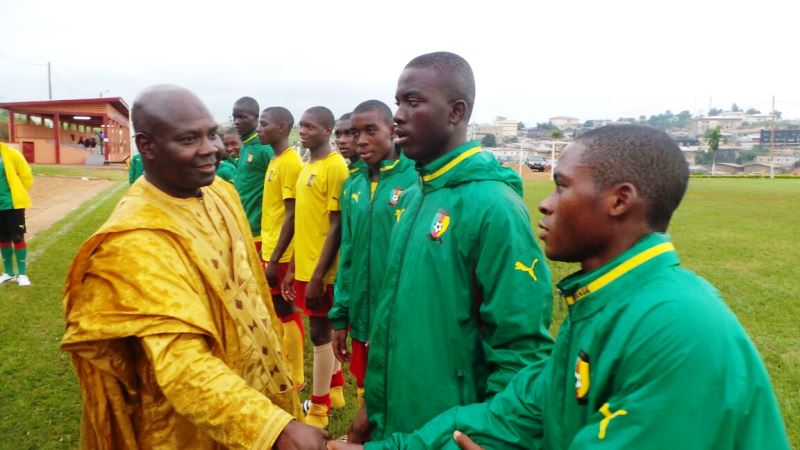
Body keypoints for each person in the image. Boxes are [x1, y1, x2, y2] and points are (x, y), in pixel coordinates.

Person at [335, 125, 791, 450]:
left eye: (561, 187)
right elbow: (509, 416)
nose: (545, 205)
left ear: (619, 200)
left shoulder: (675, 324)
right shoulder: (600, 304)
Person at [61, 85, 329, 450]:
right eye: (189, 139)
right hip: (189, 427)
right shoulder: (133, 243)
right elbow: (182, 366)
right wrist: (274, 430)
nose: (211, 149)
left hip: (260, 387)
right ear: (147, 146)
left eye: (211, 134)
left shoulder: (220, 192)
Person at [342, 51, 554, 445]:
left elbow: (522, 351)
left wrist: (489, 436)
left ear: (456, 112)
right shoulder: (414, 196)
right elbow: (395, 321)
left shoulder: (494, 207)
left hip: (449, 434)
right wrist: (371, 409)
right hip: (397, 424)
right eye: (397, 102)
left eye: (413, 101)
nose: (398, 116)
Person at [328, 100, 416, 408]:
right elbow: (348, 254)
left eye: (370, 131)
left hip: (400, 318)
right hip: (361, 315)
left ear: (391, 131)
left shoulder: (414, 180)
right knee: (366, 386)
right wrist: (341, 316)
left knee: (399, 392)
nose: (360, 140)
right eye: (355, 133)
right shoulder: (354, 185)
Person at [281, 106, 349, 428]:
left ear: (327, 130)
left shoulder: (335, 168)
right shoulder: (308, 166)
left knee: (321, 334)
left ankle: (318, 411)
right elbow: (305, 224)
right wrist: (294, 268)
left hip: (325, 270)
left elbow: (336, 225)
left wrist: (320, 275)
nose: (304, 131)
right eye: (302, 126)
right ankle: (335, 391)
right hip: (307, 266)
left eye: (310, 126)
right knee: (322, 332)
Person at [257, 106, 306, 390]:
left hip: (282, 251)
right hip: (271, 247)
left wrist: (276, 259)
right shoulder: (276, 159)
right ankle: (284, 364)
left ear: (283, 127)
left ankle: (296, 376)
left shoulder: (290, 163)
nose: (259, 129)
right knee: (276, 309)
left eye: (264, 124)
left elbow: (292, 214)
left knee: (286, 308)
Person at [233, 96, 274, 254]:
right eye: (234, 117)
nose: (237, 121)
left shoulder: (264, 148)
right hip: (243, 225)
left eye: (242, 117)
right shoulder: (245, 146)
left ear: (256, 118)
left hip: (259, 231)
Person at [0, 142, 33, 287]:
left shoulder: (12, 154)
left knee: (17, 237)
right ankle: (8, 273)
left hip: (13, 205)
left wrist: (19, 193)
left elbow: (27, 176)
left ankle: (22, 274)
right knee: (3, 240)